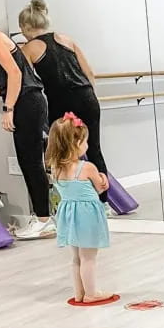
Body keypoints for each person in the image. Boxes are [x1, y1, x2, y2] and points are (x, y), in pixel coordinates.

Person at [0, 0, 54, 239]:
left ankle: (44, 220)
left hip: (26, 104)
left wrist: (8, 109)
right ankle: (42, 217)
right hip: (28, 101)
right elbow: (6, 83)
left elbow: (15, 76)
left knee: (31, 163)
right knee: (29, 162)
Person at [19, 0, 109, 204]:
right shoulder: (66, 39)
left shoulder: (30, 48)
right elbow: (90, 73)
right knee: (94, 148)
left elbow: (22, 80)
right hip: (87, 98)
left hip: (62, 104)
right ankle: (103, 202)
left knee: (59, 152)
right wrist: (90, 97)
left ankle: (65, 200)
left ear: (24, 27)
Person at [45, 112, 113, 303]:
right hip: (87, 215)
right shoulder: (87, 167)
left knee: (76, 258)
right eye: (85, 142)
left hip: (68, 215)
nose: (87, 145)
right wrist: (103, 179)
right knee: (89, 257)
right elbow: (99, 189)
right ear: (75, 144)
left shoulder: (55, 167)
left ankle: (79, 293)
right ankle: (91, 293)